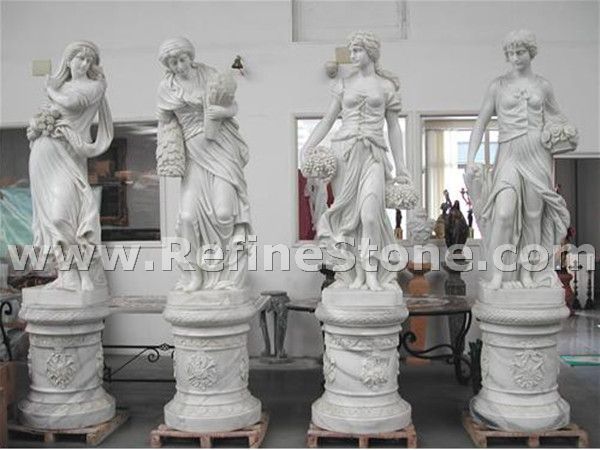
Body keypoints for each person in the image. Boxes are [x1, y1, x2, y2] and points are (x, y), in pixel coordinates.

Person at [465, 30, 576, 290]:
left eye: (520, 52)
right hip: (509, 152)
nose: (515, 57)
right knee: (504, 213)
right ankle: (499, 273)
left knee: (533, 216)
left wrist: (563, 132)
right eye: (511, 53)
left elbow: (558, 118)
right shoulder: (498, 86)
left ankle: (528, 274)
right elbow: (480, 123)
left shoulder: (543, 86)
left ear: (531, 53)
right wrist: (470, 159)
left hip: (537, 152)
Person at [301, 31, 411, 291]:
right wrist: (307, 147)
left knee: (370, 216)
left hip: (373, 153)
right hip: (345, 153)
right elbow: (328, 120)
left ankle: (372, 272)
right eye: (351, 51)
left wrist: (401, 166)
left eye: (357, 50)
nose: (352, 56)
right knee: (347, 219)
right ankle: (354, 275)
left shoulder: (386, 86)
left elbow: (394, 128)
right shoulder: (344, 84)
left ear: (371, 52)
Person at [156, 37, 252, 292]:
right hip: (194, 154)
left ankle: (225, 275)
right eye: (173, 63)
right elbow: (164, 121)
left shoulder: (209, 75)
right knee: (187, 217)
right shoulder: (166, 88)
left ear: (191, 56)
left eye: (182, 59)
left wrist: (223, 112)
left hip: (222, 148)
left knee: (224, 213)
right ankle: (193, 275)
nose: (179, 66)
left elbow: (232, 105)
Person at [28, 41, 113, 291]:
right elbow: (47, 113)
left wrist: (49, 89)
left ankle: (83, 273)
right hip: (43, 154)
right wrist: (37, 125)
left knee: (63, 216)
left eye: (89, 60)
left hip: (68, 156)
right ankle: (67, 276)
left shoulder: (95, 86)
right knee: (50, 218)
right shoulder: (62, 86)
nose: (84, 64)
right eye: (80, 58)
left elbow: (72, 103)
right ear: (68, 60)